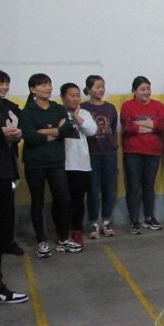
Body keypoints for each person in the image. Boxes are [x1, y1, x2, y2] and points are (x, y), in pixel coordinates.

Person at [20, 73, 82, 258]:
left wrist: (43, 132)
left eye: (49, 84)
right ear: (33, 89)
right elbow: (29, 136)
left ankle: (63, 238)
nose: (47, 88)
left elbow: (68, 130)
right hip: (35, 163)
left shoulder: (57, 108)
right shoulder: (28, 111)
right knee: (37, 201)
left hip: (56, 161)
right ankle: (41, 241)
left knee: (64, 199)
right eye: (42, 85)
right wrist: (56, 131)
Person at [0, 69, 28, 303]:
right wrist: (0, 133)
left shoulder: (4, 106)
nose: (4, 87)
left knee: (0, 230)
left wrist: (13, 136)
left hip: (3, 173)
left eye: (7, 83)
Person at [120, 76, 164, 235]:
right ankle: (134, 220)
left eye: (148, 88)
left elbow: (162, 125)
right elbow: (128, 127)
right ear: (134, 91)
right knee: (133, 186)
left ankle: (149, 217)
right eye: (142, 89)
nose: (146, 92)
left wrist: (139, 124)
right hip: (133, 152)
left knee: (149, 185)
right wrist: (151, 125)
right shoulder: (127, 106)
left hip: (153, 152)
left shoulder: (157, 105)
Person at [81, 75, 118, 238]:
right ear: (89, 89)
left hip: (109, 153)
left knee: (109, 187)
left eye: (102, 86)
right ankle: (93, 222)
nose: (101, 90)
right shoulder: (83, 108)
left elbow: (113, 129)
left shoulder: (110, 108)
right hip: (91, 153)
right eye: (97, 87)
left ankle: (106, 219)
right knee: (93, 188)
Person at [61, 83, 97, 246]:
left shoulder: (84, 113)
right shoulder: (58, 113)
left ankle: (76, 230)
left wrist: (76, 117)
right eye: (72, 95)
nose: (76, 99)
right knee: (62, 200)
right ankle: (62, 231)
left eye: (77, 95)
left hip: (81, 164)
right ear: (63, 97)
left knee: (78, 200)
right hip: (62, 164)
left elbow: (91, 130)